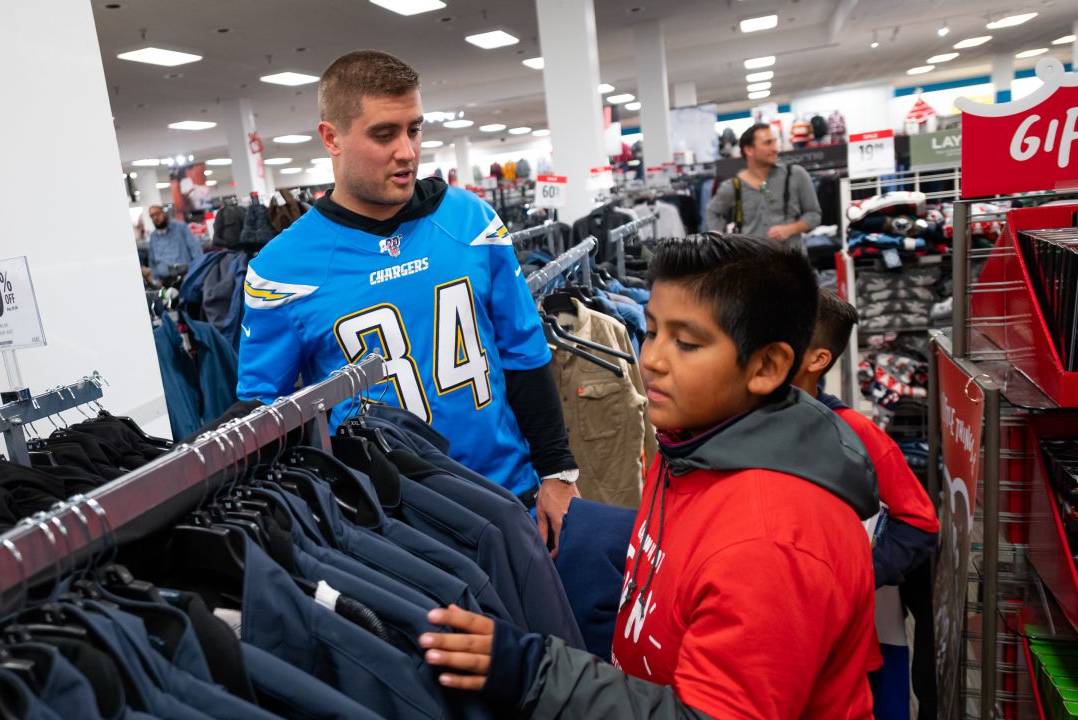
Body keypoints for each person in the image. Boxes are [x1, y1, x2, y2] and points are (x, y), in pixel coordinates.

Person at [418, 233, 881, 719]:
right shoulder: (690, 445)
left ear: (767, 365)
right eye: (654, 330)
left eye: (686, 342)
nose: (652, 359)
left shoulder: (770, 543)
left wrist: (538, 672)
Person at [234, 49, 580, 546]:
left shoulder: (470, 220)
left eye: (414, 129)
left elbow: (523, 351)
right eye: (384, 134)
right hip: (392, 527)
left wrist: (557, 470)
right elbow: (264, 413)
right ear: (331, 138)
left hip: (509, 495)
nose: (408, 151)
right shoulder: (281, 269)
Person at [791, 288, 939, 720]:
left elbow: (920, 521)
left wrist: (859, 576)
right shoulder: (742, 420)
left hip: (864, 631)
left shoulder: (853, 432)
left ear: (817, 359)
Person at [705, 123, 822, 249]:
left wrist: (790, 229)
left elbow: (814, 214)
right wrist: (721, 241)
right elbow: (713, 211)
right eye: (768, 143)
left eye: (774, 142)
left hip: (792, 262)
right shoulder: (733, 186)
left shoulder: (795, 175)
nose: (775, 149)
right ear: (749, 150)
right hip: (752, 263)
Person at [147, 204, 204, 284]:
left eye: (157, 214)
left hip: (185, 278)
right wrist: (156, 280)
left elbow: (196, 251)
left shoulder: (181, 227)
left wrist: (198, 273)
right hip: (165, 281)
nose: (155, 218)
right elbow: (152, 262)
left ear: (164, 213)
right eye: (152, 216)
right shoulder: (153, 237)